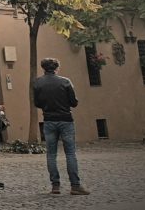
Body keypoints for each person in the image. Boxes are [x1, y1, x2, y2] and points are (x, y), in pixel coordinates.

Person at [34, 57, 90, 196]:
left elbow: (37, 103)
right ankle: (75, 186)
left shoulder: (38, 83)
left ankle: (55, 186)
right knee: (70, 153)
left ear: (43, 68)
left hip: (49, 120)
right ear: (56, 68)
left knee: (51, 154)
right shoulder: (65, 81)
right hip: (65, 120)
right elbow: (74, 102)